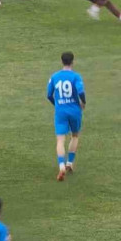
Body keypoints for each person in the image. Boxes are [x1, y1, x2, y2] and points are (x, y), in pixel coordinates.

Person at [47, 52, 86, 181]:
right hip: (75, 110)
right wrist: (83, 103)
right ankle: (70, 163)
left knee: (60, 140)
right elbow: (81, 92)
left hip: (61, 111)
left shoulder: (54, 76)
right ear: (72, 62)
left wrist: (57, 104)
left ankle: (61, 166)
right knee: (74, 136)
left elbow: (49, 95)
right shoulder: (76, 77)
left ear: (61, 61)